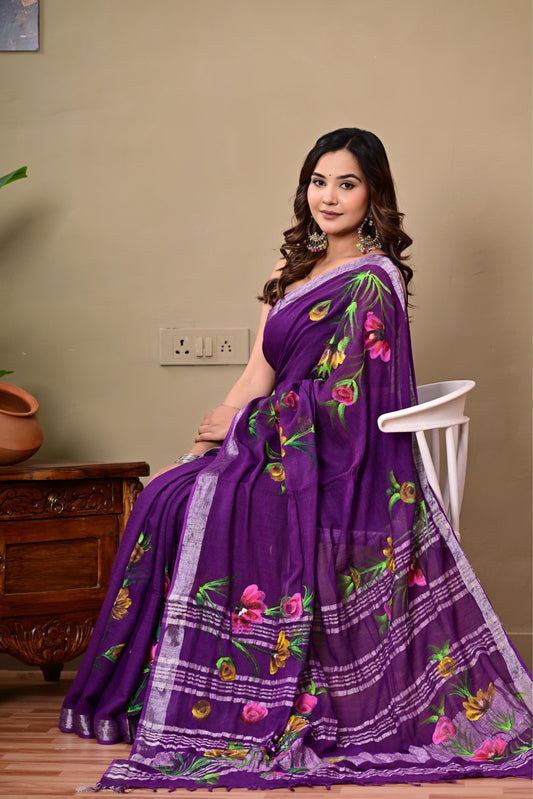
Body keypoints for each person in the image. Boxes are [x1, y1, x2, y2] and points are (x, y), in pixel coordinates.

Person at [60, 128, 532, 791]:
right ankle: (165, 696)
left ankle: (223, 700)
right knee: (168, 494)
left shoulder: (374, 280)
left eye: (346, 183)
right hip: (275, 446)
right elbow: (257, 374)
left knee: (214, 503)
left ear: (372, 195)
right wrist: (198, 448)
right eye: (318, 181)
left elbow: (351, 401)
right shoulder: (289, 274)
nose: (328, 197)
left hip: (333, 465)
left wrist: (243, 427)